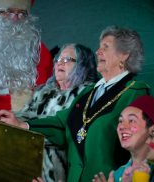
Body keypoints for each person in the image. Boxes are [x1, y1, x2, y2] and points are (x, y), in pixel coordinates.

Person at [0, 26, 150, 181]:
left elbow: (144, 147)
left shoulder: (135, 92)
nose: (98, 52)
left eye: (105, 47)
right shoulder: (89, 92)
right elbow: (61, 124)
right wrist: (21, 124)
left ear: (124, 55)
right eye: (99, 47)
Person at [15, 43, 99, 182]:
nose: (60, 63)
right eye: (58, 60)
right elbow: (26, 114)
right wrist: (7, 118)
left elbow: (65, 130)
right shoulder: (43, 91)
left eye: (67, 60)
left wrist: (25, 126)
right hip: (28, 164)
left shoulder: (87, 94)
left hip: (61, 170)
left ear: (83, 65)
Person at [92, 95, 154, 182]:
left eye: (132, 120)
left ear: (153, 129)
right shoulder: (118, 174)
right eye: (120, 121)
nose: (122, 126)